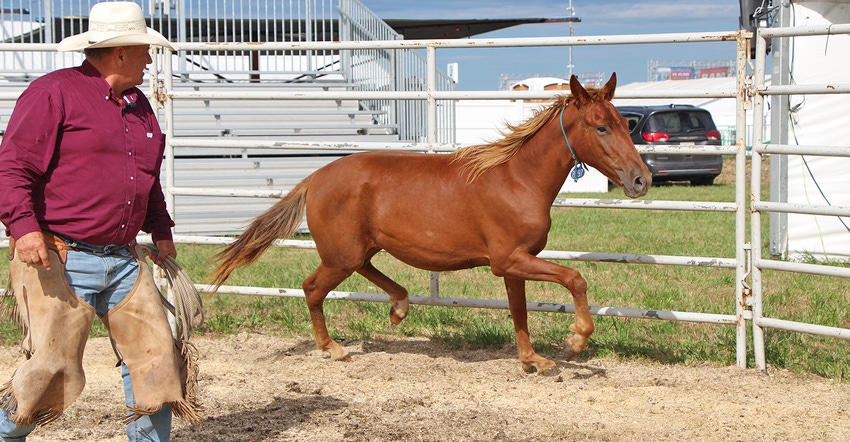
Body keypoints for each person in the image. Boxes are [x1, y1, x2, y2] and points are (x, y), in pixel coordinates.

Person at [0, 2, 200, 441]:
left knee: (157, 361)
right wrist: (24, 228)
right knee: (48, 371)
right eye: (144, 49)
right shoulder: (53, 93)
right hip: (59, 256)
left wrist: (160, 228)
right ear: (120, 53)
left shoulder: (140, 105)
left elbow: (146, 178)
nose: (150, 58)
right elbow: (13, 166)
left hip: (124, 258)